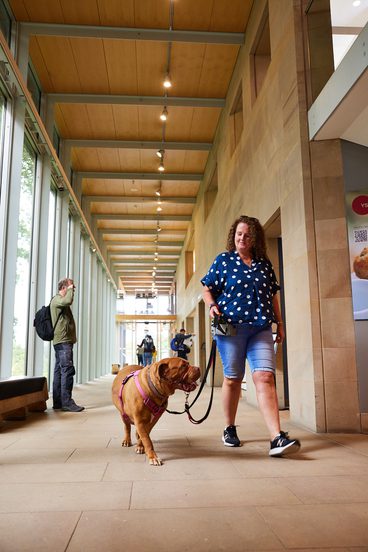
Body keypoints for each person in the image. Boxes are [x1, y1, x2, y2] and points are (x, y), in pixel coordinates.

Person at [201, 215, 300, 457]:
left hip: (260, 327)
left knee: (265, 376)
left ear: (255, 238)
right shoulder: (223, 261)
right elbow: (207, 288)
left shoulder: (264, 264)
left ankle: (276, 437)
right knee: (233, 379)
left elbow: (273, 295)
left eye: (247, 234)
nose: (242, 238)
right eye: (238, 234)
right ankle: (229, 428)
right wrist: (212, 306)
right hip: (230, 327)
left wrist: (280, 323)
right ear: (233, 236)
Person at [50, 278, 84, 412]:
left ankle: (58, 401)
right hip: (63, 342)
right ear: (63, 288)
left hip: (62, 341)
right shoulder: (58, 299)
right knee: (67, 370)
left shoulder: (59, 302)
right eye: (71, 289)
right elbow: (68, 300)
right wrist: (70, 288)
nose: (73, 291)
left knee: (59, 371)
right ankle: (67, 402)